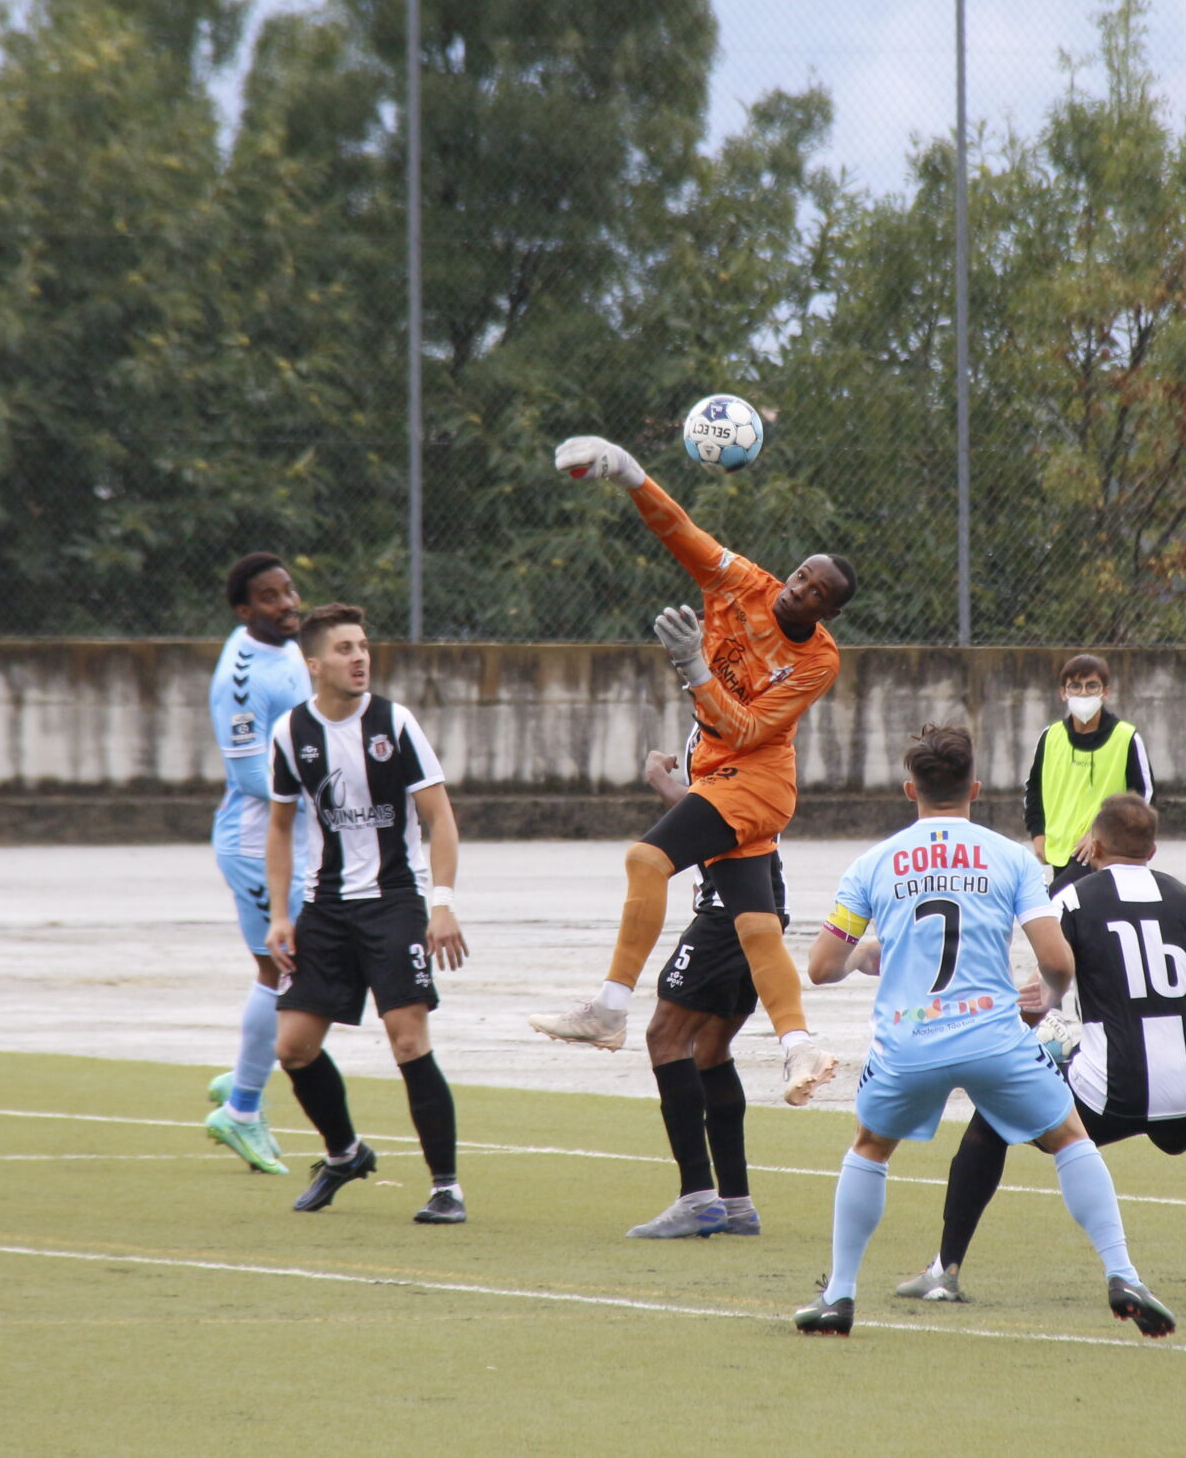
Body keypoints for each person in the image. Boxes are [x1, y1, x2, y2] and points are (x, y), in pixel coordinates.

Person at [792, 725, 1175, 1340]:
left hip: (910, 1040)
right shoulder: (1012, 858)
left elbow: (819, 968)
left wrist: (867, 954)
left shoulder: (873, 862)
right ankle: (1122, 1273)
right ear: (974, 788)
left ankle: (839, 1297)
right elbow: (1057, 960)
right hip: (993, 1036)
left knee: (870, 1146)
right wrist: (1043, 999)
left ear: (908, 789)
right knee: (1070, 1138)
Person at [529, 433, 855, 1107]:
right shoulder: (744, 582)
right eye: (800, 576)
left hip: (757, 781)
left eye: (816, 593)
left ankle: (610, 1008)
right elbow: (682, 530)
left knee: (647, 861)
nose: (798, 591)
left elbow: (746, 730)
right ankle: (801, 1048)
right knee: (756, 927)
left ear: (828, 612)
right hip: (723, 780)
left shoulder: (819, 662)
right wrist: (628, 473)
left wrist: (694, 668)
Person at [902, 793, 1186, 1306]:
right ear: (1152, 851)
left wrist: (1007, 1024)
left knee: (992, 1116)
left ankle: (945, 1270)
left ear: (1095, 845)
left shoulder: (1074, 900)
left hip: (1107, 1093)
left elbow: (1043, 991)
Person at [263, 603, 471, 1220]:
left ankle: (445, 1188)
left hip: (393, 903)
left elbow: (440, 820)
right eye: (345, 648)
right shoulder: (291, 734)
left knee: (407, 1038)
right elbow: (279, 827)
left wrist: (443, 904)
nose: (360, 657)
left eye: (363, 646)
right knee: (293, 1047)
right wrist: (280, 915)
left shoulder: (394, 723)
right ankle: (346, 1152)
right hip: (324, 909)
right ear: (315, 663)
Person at [624, 748, 775, 1239]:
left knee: (664, 1036)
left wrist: (664, 788)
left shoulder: (727, 724)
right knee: (710, 1050)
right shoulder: (744, 725)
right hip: (763, 908)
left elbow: (720, 816)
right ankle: (735, 1203)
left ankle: (696, 1198)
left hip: (727, 911)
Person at [201, 552, 312, 1176]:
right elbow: (245, 772)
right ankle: (241, 1108)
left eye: (289, 590)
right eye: (270, 597)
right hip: (256, 845)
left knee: (288, 974)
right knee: (284, 974)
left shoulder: (288, 646)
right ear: (245, 611)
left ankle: (243, 1080)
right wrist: (327, 788)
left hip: (294, 843)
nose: (287, 603)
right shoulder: (241, 675)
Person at [1026, 653, 1155, 892]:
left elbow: (1144, 797)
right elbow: (1034, 790)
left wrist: (1101, 832)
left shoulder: (1126, 737)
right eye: (1075, 686)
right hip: (1061, 851)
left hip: (1105, 852)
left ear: (1105, 692)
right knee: (1071, 922)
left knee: (1055, 903)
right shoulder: (1050, 736)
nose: (1083, 693)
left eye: (1091, 686)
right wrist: (1038, 834)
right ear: (1063, 692)